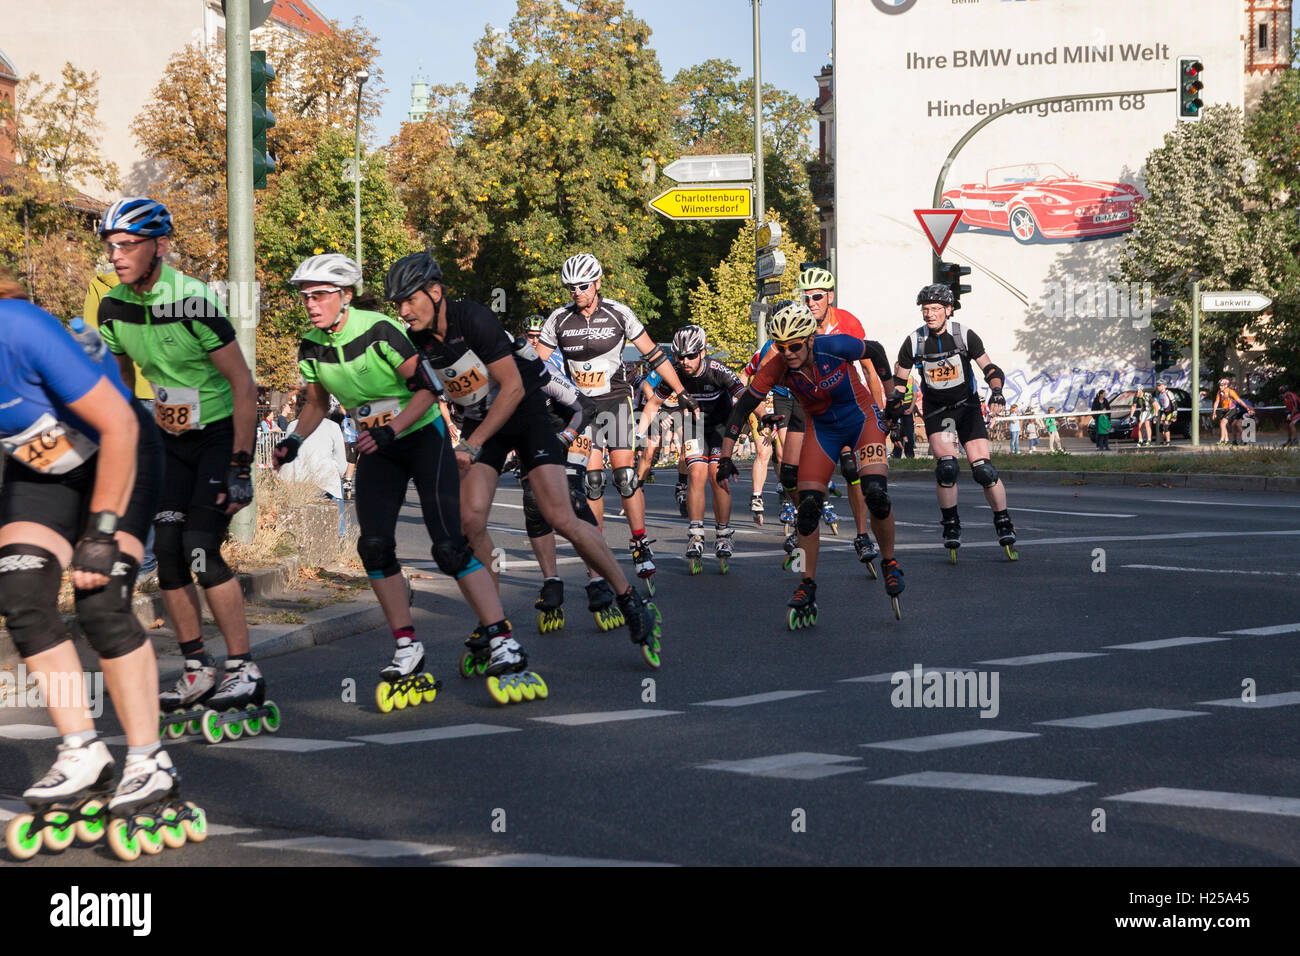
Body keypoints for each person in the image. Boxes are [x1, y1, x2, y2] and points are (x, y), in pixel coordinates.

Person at [0, 275, 203, 861]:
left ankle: (149, 759)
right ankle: (82, 750)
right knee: (20, 592)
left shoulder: (21, 328)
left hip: (120, 449)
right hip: (43, 469)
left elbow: (118, 426)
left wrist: (103, 532)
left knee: (101, 598)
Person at [383, 252, 662, 669]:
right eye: (397, 305)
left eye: (409, 300)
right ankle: (492, 623)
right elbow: (425, 392)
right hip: (486, 427)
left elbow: (512, 389)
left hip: (524, 415)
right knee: (470, 522)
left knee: (560, 516)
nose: (403, 311)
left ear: (436, 293)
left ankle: (627, 596)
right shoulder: (419, 341)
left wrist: (471, 443)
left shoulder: (473, 319)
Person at [274, 254, 518, 705]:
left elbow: (429, 389)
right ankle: (407, 647)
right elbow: (316, 402)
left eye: (320, 295)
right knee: (374, 546)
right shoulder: (310, 344)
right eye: (305, 296)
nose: (310, 304)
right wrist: (292, 441)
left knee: (448, 545)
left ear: (345, 297)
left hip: (421, 438)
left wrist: (390, 429)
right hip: (377, 449)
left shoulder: (379, 328)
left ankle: (502, 638)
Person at [95, 197, 265, 720]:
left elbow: (244, 384)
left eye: (127, 245)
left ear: (159, 247)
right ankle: (197, 668)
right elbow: (124, 381)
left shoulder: (192, 300)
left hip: (217, 436)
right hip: (169, 438)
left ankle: (244, 669)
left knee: (198, 548)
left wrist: (240, 465)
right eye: (110, 246)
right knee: (166, 552)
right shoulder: (114, 308)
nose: (116, 255)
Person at [717, 301, 905, 628]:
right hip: (823, 431)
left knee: (876, 494)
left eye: (793, 346)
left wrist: (893, 398)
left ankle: (890, 562)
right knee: (806, 512)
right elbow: (743, 404)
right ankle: (806, 583)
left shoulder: (833, 346)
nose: (787, 352)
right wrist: (725, 456)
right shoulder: (778, 366)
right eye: (780, 346)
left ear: (809, 340)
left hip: (862, 423)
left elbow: (875, 350)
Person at [535, 253, 695, 594]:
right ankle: (598, 549)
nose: (575, 292)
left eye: (582, 286)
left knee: (624, 476)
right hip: (578, 406)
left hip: (614, 401)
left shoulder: (620, 313)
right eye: (570, 287)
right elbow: (536, 366)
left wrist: (680, 391)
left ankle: (640, 543)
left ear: (597, 283)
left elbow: (654, 354)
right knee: (591, 482)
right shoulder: (558, 320)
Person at [891, 283, 1018, 561]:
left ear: (948, 310)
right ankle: (951, 525)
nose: (929, 314)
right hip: (940, 411)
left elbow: (990, 368)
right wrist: (893, 406)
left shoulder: (964, 335)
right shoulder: (914, 341)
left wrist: (996, 391)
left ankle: (1003, 521)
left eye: (935, 309)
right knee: (947, 468)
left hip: (967, 407)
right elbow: (900, 382)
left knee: (983, 470)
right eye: (925, 310)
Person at [638, 325, 746, 574]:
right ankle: (696, 534)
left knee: (717, 476)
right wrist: (639, 432)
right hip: (694, 426)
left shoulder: (717, 370)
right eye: (680, 356)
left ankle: (723, 533)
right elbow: (654, 402)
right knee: (695, 473)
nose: (684, 361)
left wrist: (763, 417)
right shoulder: (675, 373)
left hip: (720, 427)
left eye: (690, 356)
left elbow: (745, 394)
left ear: (703, 352)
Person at [278, 388, 349, 538]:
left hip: (297, 481)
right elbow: (342, 463)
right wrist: (337, 474)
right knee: (337, 491)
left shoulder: (292, 426)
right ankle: (339, 534)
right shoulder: (332, 427)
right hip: (325, 481)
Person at [1212, 377, 1255, 445]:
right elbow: (1216, 402)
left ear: (1226, 385)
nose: (1220, 387)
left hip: (1237, 410)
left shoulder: (1232, 393)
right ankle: (1230, 440)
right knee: (1232, 425)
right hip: (1234, 411)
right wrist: (1214, 412)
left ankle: (1243, 439)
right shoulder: (1220, 392)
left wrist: (1248, 408)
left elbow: (1242, 402)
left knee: (1233, 424)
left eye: (1222, 385)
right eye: (1219, 385)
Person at [1154, 381, 1176, 447]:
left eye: (1159, 385)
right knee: (1160, 427)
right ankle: (1162, 442)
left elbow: (1174, 404)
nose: (1158, 387)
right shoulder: (1160, 394)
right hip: (1164, 412)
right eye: (1157, 385)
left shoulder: (1168, 393)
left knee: (1166, 426)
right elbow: (1160, 405)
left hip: (1170, 412)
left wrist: (1174, 415)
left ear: (1164, 386)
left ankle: (1168, 442)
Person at [1281, 383, 1298, 448]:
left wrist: (1291, 415)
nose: (1282, 395)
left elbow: (1295, 408)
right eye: (1281, 393)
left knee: (1291, 424)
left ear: (1287, 392)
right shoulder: (1286, 397)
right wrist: (1288, 415)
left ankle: (1295, 440)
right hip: (1292, 412)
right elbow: (1288, 407)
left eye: (1283, 393)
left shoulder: (1292, 396)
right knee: (1287, 425)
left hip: (1298, 411)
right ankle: (1289, 439)